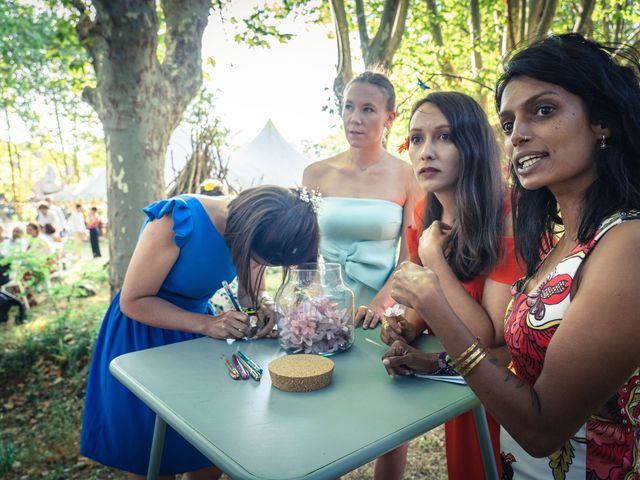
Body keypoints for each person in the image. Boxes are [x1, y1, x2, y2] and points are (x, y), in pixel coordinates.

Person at [387, 33, 640, 478]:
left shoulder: (627, 243)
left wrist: (433, 300)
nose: (519, 135)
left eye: (544, 110)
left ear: (602, 120)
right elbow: (525, 361)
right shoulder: (562, 243)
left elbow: (542, 428)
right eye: (508, 125)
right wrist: (433, 362)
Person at [80, 186, 320, 479]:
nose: (258, 266)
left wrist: (263, 306)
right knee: (152, 455)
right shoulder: (179, 220)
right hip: (143, 333)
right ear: (246, 231)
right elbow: (133, 301)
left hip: (198, 337)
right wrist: (206, 323)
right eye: (258, 259)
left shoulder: (263, 225)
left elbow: (252, 290)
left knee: (210, 446)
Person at [376, 92, 523, 480]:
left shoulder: (509, 214)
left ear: (472, 144)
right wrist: (402, 326)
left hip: (511, 392)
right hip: (460, 379)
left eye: (444, 136)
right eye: (417, 139)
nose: (426, 152)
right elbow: (421, 311)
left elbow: (488, 336)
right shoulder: (426, 213)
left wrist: (435, 259)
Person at [303, 71, 421, 328]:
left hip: (381, 313)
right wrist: (316, 301)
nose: (355, 119)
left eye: (368, 109)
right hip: (322, 310)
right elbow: (304, 251)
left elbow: (410, 256)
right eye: (349, 107)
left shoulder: (408, 176)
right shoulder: (315, 174)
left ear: (389, 118)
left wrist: (380, 305)